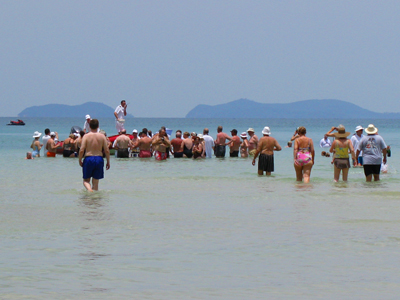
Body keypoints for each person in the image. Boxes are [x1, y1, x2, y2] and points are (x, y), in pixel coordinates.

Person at [79, 119, 110, 192]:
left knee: (86, 181)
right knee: (96, 183)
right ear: (98, 126)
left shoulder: (86, 136)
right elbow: (107, 150)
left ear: (89, 126)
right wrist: (108, 162)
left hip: (89, 158)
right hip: (99, 158)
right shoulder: (102, 136)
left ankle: (90, 190)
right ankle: (95, 201)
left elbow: (82, 150)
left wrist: (80, 160)